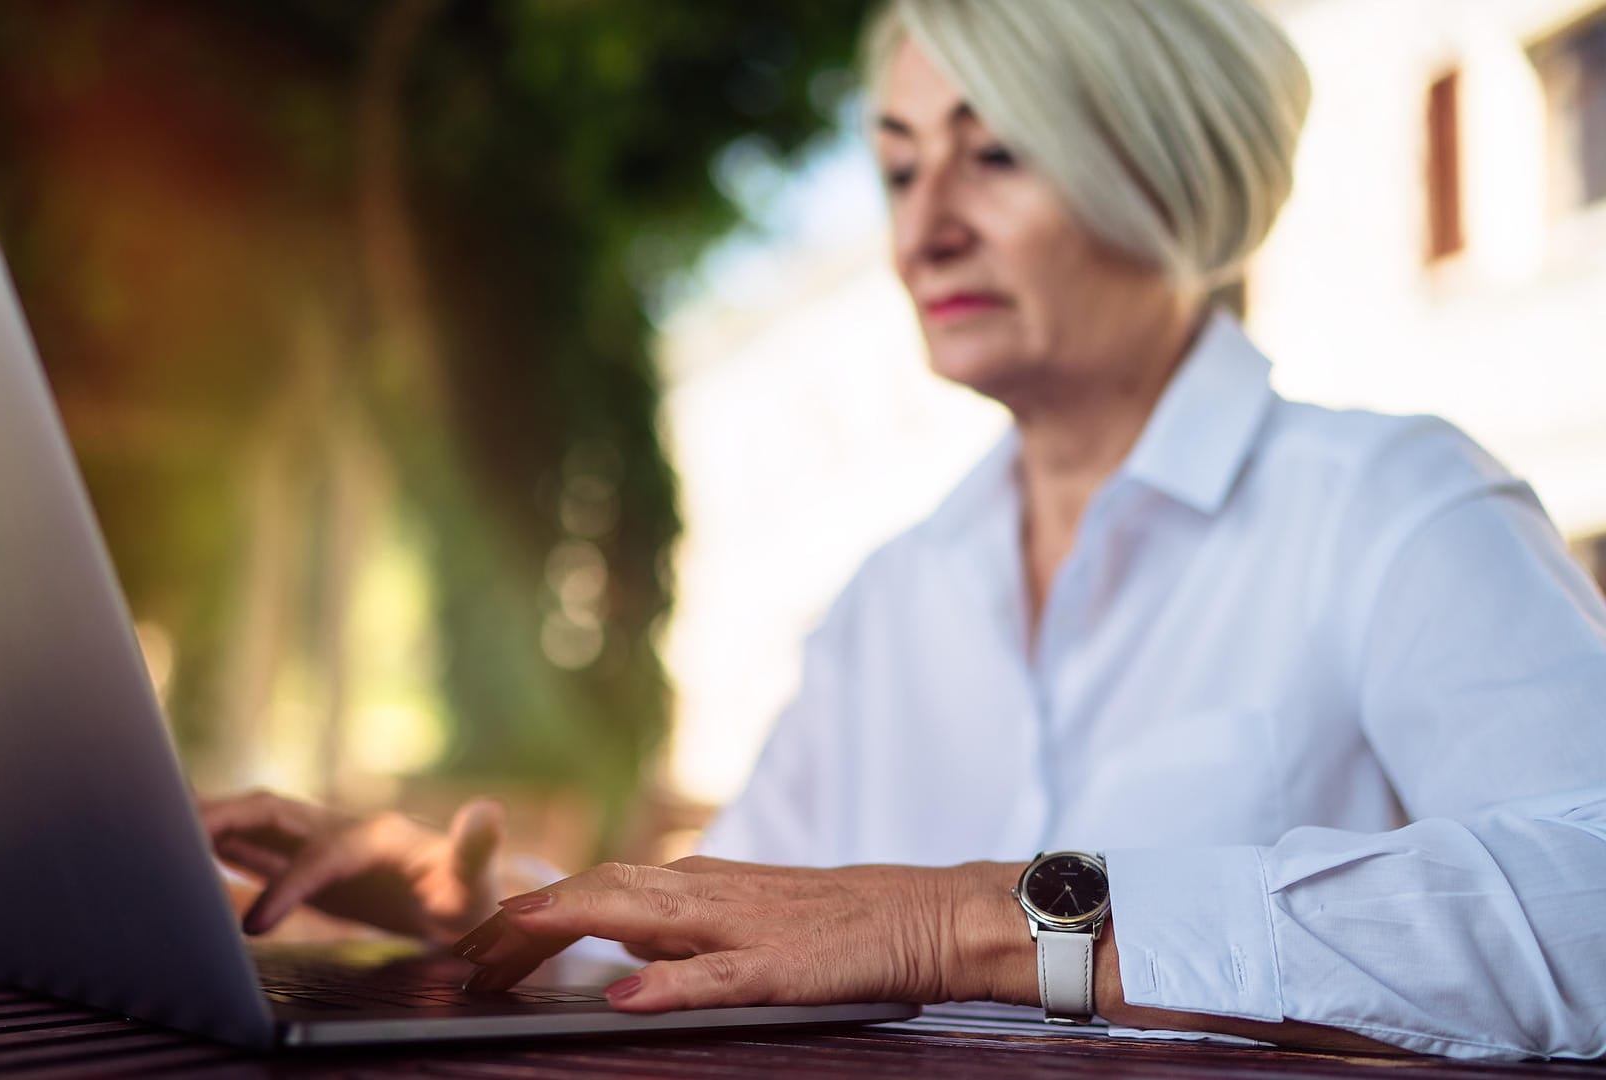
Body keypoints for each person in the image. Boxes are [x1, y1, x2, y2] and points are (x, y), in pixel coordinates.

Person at [201, 0, 1606, 1059]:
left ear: (1167, 176)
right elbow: (728, 935)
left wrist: (970, 920)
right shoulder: (886, 605)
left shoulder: (1397, 504)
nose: (924, 228)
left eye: (994, 156)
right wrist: (483, 912)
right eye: (894, 167)